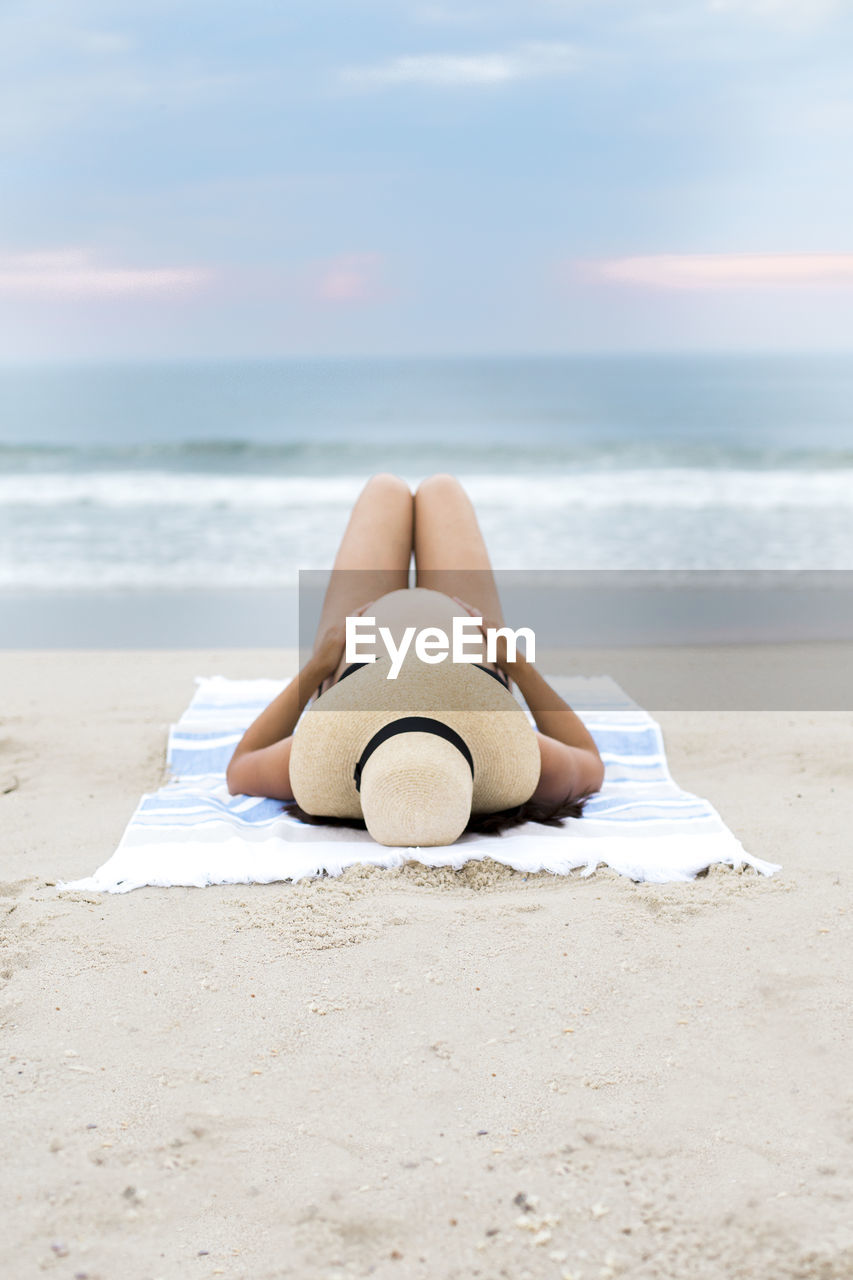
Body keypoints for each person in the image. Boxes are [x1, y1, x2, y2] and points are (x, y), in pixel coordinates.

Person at [226, 474, 604, 847]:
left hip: (354, 642)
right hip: (469, 632)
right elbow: (589, 761)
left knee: (384, 489)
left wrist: (317, 668)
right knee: (442, 489)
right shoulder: (519, 760)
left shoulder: (325, 756)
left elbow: (240, 768)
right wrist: (516, 664)